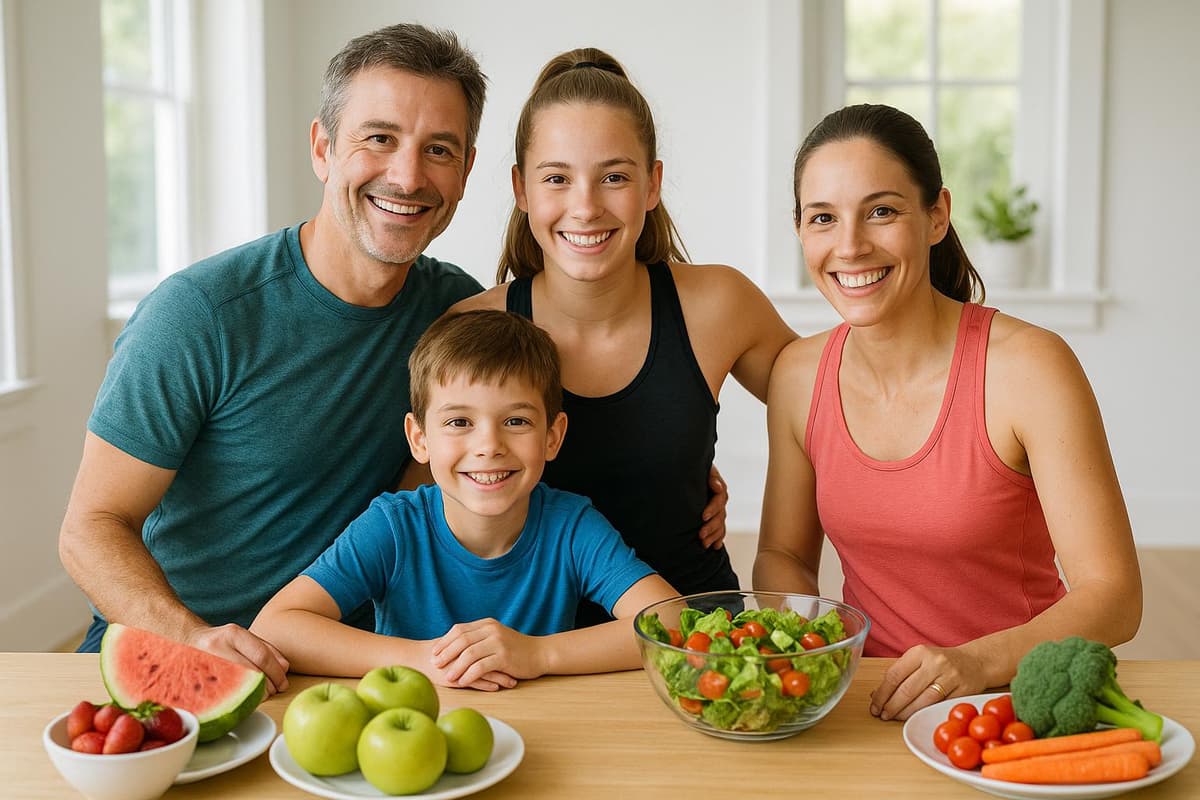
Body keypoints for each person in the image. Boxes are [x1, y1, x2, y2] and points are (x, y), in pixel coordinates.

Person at [56, 23, 489, 693]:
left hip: (347, 663)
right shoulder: (200, 314)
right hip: (177, 659)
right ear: (322, 148)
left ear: (465, 172)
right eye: (378, 138)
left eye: (439, 149)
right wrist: (192, 639)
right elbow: (89, 529)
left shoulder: (458, 313)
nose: (407, 175)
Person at [754, 103, 1141, 721]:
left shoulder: (1030, 367)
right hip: (868, 703)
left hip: (1012, 705)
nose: (849, 245)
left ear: (936, 216)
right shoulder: (798, 375)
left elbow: (1115, 597)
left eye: (881, 211)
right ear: (800, 230)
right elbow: (786, 556)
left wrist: (974, 663)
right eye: (823, 218)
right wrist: (806, 646)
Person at [452, 48, 797, 627]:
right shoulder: (472, 328)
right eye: (557, 178)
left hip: (699, 640)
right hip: (532, 647)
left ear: (652, 184)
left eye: (614, 177)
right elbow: (424, 507)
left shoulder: (718, 304)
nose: (585, 207)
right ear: (521, 189)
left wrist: (701, 480)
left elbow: (834, 409)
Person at [251, 310, 678, 688]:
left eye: (515, 420)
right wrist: (427, 661)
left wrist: (537, 654)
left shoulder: (572, 525)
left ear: (552, 436)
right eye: (459, 421)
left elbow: (670, 622)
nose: (488, 445)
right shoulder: (393, 526)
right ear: (420, 439)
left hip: (550, 732)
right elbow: (277, 627)